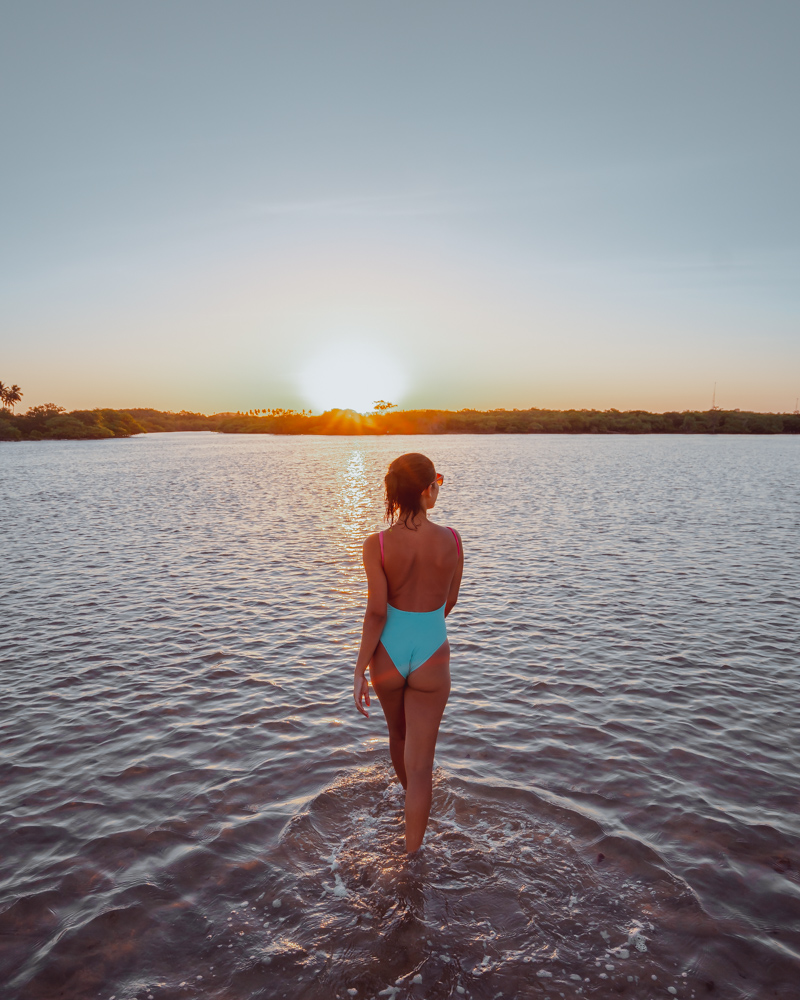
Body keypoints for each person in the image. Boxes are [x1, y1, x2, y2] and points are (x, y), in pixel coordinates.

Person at [353, 453, 464, 853]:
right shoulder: (452, 539)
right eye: (437, 483)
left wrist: (360, 668)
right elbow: (448, 602)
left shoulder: (376, 544)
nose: (438, 490)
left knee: (397, 734)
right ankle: (413, 858)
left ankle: (408, 805)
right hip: (432, 650)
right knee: (423, 770)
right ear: (425, 490)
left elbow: (377, 612)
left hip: (388, 653)